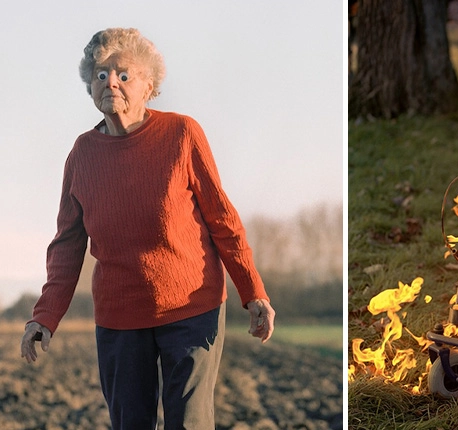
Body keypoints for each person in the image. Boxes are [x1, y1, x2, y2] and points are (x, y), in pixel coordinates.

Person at [19, 27, 275, 429]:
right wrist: (44, 315)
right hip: (120, 315)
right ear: (89, 86)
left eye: (123, 74)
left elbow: (222, 219)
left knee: (189, 423)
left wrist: (252, 290)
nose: (111, 83)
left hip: (192, 306)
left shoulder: (181, 134)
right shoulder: (82, 155)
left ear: (149, 85)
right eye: (101, 75)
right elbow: (67, 246)